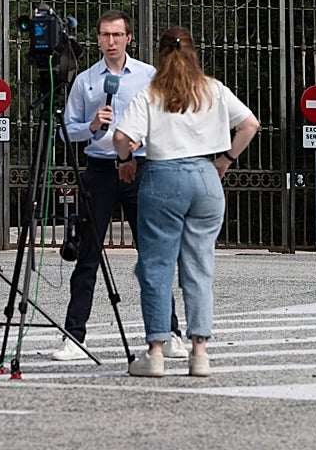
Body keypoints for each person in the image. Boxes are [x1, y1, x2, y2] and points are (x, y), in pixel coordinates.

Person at [113, 27, 260, 378]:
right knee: (199, 267)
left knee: (156, 267)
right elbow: (250, 124)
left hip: (163, 177)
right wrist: (225, 159)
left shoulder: (150, 92)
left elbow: (121, 137)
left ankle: (157, 352)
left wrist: (125, 161)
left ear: (161, 55)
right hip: (206, 178)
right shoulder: (213, 89)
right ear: (194, 54)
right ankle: (200, 353)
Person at [51, 9, 188, 362]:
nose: (110, 42)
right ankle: (74, 336)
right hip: (98, 168)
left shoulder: (148, 76)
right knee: (87, 255)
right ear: (97, 39)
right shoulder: (85, 81)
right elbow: (67, 128)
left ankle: (169, 332)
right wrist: (93, 125)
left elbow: (166, 120)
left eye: (117, 35)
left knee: (152, 253)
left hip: (139, 168)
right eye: (104, 35)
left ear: (129, 37)